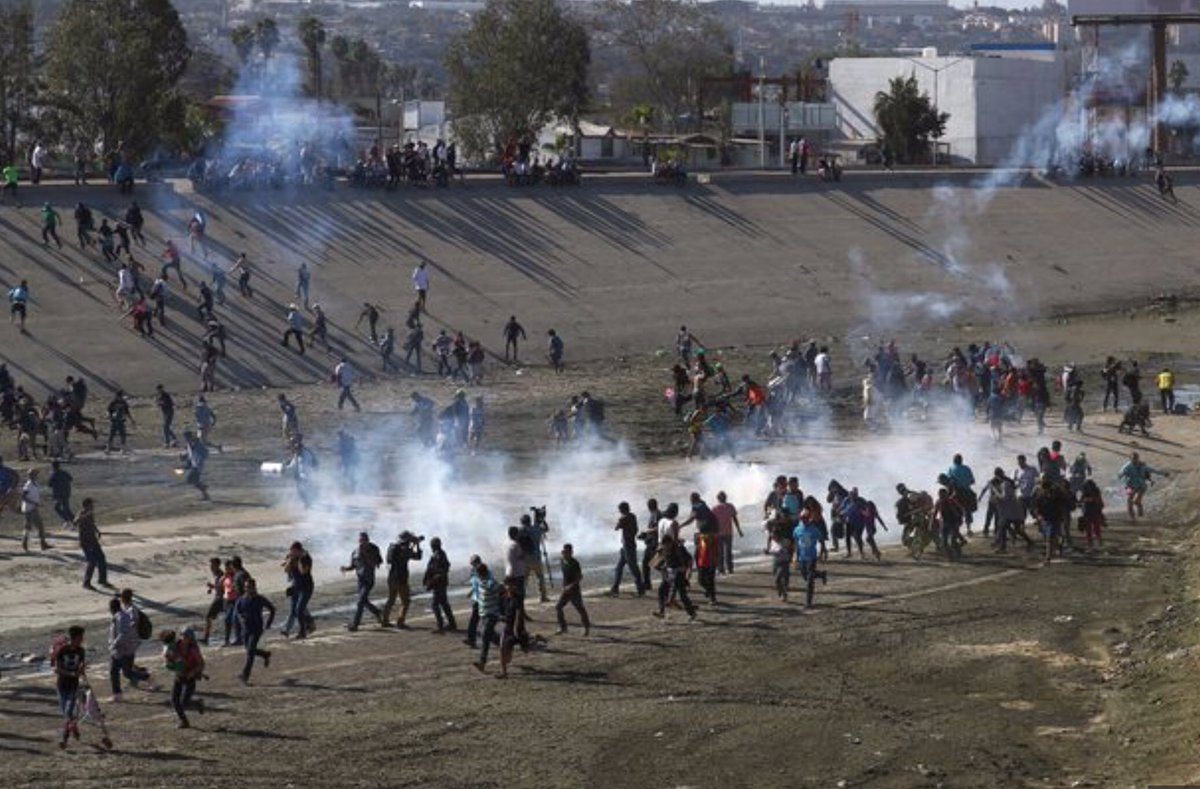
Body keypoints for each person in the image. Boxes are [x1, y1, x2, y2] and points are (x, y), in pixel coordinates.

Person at [109, 589, 152, 701]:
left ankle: (146, 677)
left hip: (125, 649)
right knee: (116, 671)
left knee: (125, 672)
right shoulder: (122, 612)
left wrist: (114, 644)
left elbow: (124, 633)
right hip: (121, 649)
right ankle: (117, 694)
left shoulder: (126, 613)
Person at [161, 628, 205, 728]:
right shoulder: (175, 645)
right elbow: (169, 655)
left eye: (186, 636)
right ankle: (184, 721)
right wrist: (168, 661)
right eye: (182, 635)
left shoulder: (193, 650)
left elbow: (201, 664)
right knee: (174, 700)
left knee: (184, 702)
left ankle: (197, 703)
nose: (183, 638)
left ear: (190, 638)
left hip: (190, 677)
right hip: (179, 675)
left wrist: (192, 672)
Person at [233, 578, 275, 685]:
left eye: (249, 587)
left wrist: (268, 623)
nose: (247, 589)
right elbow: (237, 612)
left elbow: (272, 609)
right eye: (246, 587)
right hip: (245, 630)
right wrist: (241, 620)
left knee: (250, 652)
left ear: (254, 588)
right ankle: (265, 654)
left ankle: (245, 675)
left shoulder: (260, 599)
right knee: (249, 650)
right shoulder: (241, 599)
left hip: (256, 629)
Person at [53, 626, 88, 749]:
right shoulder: (62, 650)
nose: (82, 639)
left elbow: (82, 664)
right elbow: (57, 669)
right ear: (74, 638)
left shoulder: (81, 651)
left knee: (68, 712)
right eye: (80, 637)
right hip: (62, 686)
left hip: (74, 686)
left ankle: (64, 739)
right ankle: (74, 727)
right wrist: (71, 673)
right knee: (67, 714)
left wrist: (82, 669)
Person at [342, 531, 384, 631]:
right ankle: (377, 612)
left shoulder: (373, 549)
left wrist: (365, 553)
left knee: (360, 602)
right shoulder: (355, 551)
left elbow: (374, 563)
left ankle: (355, 624)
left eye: (364, 540)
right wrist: (345, 568)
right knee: (363, 601)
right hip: (360, 580)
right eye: (361, 540)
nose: (362, 542)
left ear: (368, 540)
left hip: (369, 579)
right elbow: (353, 566)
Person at [383, 531, 423, 629]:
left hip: (391, 577)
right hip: (401, 578)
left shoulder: (393, 547)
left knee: (391, 600)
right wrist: (417, 544)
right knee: (405, 601)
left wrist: (413, 544)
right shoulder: (405, 550)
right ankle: (400, 622)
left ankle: (384, 620)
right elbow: (418, 557)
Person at [653, 534, 696, 620]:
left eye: (668, 545)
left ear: (671, 543)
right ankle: (661, 611)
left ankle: (691, 613)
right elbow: (654, 564)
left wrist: (689, 571)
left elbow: (689, 559)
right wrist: (663, 568)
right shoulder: (661, 550)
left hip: (680, 574)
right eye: (664, 545)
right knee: (661, 590)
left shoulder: (679, 549)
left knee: (683, 595)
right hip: (669, 574)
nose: (666, 547)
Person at [471, 563, 503, 674]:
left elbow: (502, 589)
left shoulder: (491, 583)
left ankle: (482, 663)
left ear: (481, 573)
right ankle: (506, 645)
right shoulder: (479, 582)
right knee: (489, 635)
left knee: (485, 636)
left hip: (492, 614)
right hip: (483, 614)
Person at [1118, 451, 1168, 521]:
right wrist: (1121, 475)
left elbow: (1153, 470)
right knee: (1129, 501)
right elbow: (1120, 474)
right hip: (1130, 485)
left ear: (1138, 458)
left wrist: (1163, 474)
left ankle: (1140, 516)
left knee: (1136, 501)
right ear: (1130, 459)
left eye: (1136, 458)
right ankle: (1132, 517)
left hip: (1141, 486)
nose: (1135, 460)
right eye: (1133, 459)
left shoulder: (1143, 466)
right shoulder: (1127, 467)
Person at [792, 510, 827, 608]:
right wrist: (795, 556)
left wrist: (822, 553)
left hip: (812, 557)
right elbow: (796, 543)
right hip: (802, 557)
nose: (804, 520)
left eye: (806, 518)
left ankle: (808, 602)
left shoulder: (814, 530)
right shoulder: (797, 529)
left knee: (809, 580)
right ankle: (821, 574)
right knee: (805, 576)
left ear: (809, 518)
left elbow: (821, 541)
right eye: (802, 518)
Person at [610, 501, 645, 596]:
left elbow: (616, 528)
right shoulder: (633, 516)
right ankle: (615, 588)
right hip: (629, 545)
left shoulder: (624, 518)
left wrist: (620, 519)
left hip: (628, 546)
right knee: (619, 568)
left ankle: (640, 589)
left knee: (633, 568)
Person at [555, 544, 590, 635]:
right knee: (558, 607)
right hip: (566, 590)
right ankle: (563, 627)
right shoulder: (562, 561)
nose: (564, 553)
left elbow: (579, 577)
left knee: (580, 608)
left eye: (567, 552)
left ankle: (586, 627)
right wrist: (565, 586)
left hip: (574, 590)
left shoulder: (575, 563)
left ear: (571, 553)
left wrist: (571, 586)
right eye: (564, 551)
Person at [75, 498, 110, 590]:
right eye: (91, 505)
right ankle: (86, 583)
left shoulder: (90, 514)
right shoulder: (82, 513)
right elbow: (76, 522)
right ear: (87, 505)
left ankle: (102, 580)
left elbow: (92, 524)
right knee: (92, 561)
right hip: (86, 542)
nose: (93, 506)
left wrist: (97, 531)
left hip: (93, 540)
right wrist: (86, 515)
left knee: (101, 558)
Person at [424, 537, 456, 632]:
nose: (431, 547)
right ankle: (452, 623)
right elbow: (430, 568)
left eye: (432, 545)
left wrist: (432, 582)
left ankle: (440, 625)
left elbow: (442, 570)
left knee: (435, 605)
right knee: (444, 604)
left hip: (439, 584)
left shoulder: (440, 555)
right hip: (439, 583)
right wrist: (427, 579)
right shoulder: (437, 554)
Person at [711, 491, 742, 575]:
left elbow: (712, 522)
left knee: (720, 552)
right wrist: (739, 530)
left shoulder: (715, 508)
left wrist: (712, 532)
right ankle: (730, 568)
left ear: (718, 499)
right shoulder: (730, 506)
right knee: (728, 551)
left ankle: (721, 569)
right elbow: (735, 519)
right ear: (726, 498)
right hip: (728, 532)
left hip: (718, 533)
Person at [21, 468, 47, 551]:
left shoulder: (35, 484)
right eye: (36, 474)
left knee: (40, 526)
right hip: (29, 508)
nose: (37, 476)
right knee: (28, 527)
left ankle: (43, 544)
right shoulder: (28, 485)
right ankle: (24, 543)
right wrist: (33, 503)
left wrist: (38, 502)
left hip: (34, 508)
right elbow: (23, 497)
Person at [181, 431, 210, 500]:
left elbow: (205, 453)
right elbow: (190, 455)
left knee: (191, 480)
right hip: (194, 464)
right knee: (193, 480)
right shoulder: (190, 444)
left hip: (198, 465)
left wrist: (199, 459)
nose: (186, 439)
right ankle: (204, 491)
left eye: (187, 437)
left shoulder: (197, 444)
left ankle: (203, 489)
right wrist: (186, 459)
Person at [48, 459, 74, 528]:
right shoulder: (64, 472)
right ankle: (72, 520)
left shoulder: (54, 474)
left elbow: (49, 484)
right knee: (66, 508)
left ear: (53, 466)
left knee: (57, 507)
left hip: (59, 494)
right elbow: (71, 479)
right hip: (66, 492)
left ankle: (68, 520)